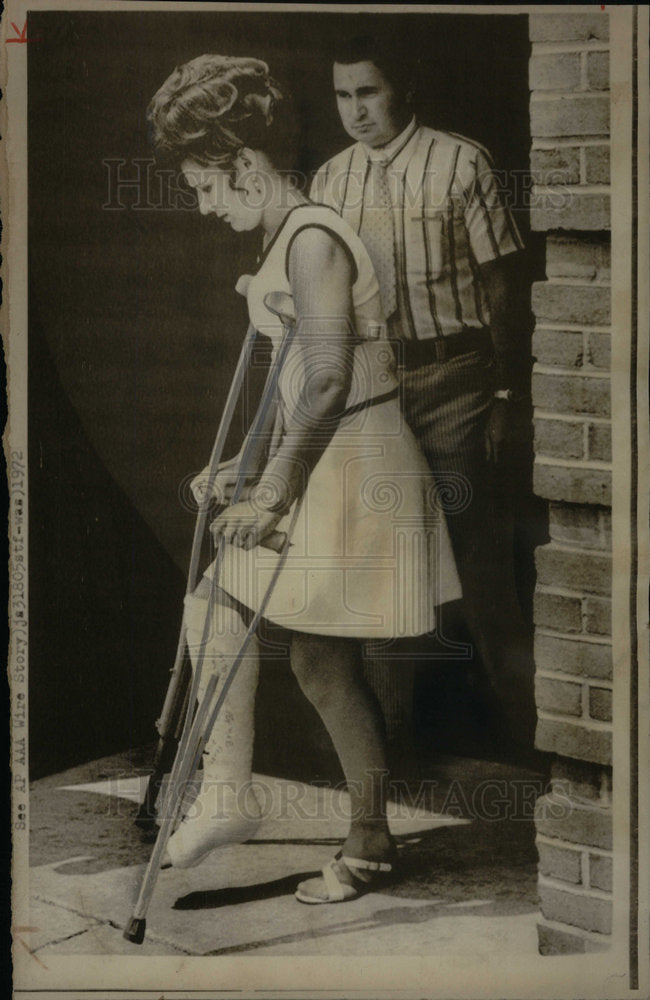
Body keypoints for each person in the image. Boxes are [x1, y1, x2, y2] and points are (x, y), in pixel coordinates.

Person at [148, 54, 461, 903]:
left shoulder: (314, 238)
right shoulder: (289, 235)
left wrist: (274, 489)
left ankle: (338, 831)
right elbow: (292, 379)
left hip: (352, 460)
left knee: (318, 659)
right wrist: (241, 468)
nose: (207, 207)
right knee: (258, 629)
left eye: (208, 187)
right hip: (324, 450)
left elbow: (326, 380)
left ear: (245, 166)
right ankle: (237, 796)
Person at [310, 35, 538, 749]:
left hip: (457, 381)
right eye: (343, 95)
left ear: (402, 88)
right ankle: (395, 753)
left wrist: (507, 393)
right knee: (380, 569)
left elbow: (504, 284)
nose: (356, 110)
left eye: (368, 93)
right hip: (375, 387)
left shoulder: (460, 161)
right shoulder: (329, 180)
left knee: (477, 568)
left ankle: (546, 750)